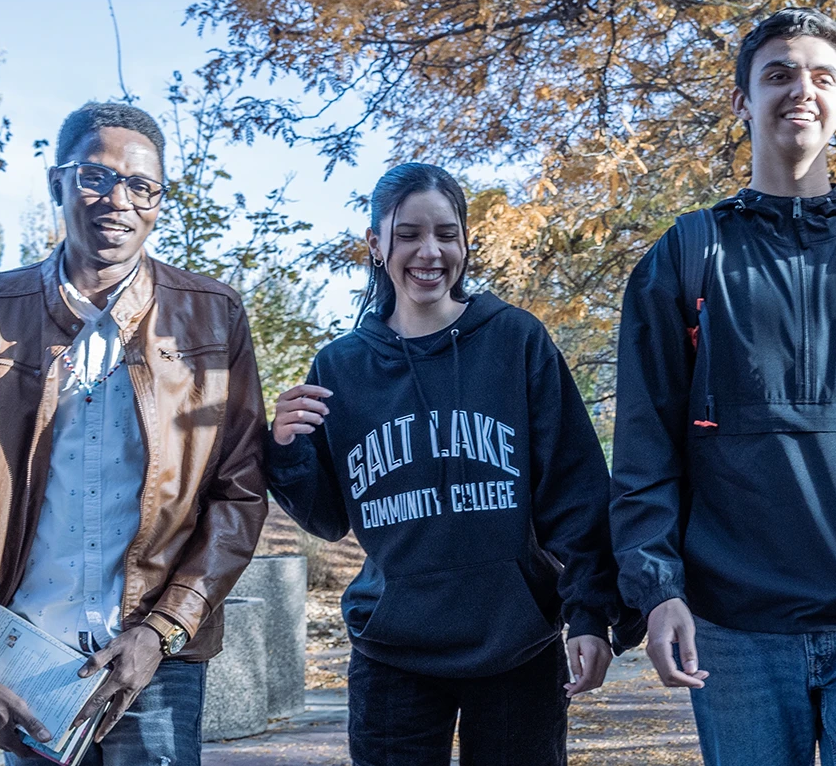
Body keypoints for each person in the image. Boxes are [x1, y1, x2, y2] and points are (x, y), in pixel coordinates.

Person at [609, 7, 836, 765]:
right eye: (777, 74)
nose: (800, 90)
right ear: (741, 100)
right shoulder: (687, 255)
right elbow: (643, 450)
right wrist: (658, 588)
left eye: (821, 76)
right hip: (734, 631)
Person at [268, 162, 635, 766]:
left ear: (466, 241)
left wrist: (591, 612)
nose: (429, 251)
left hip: (517, 643)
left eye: (446, 233)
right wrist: (285, 450)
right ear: (376, 245)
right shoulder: (341, 367)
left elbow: (575, 490)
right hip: (393, 651)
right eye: (409, 233)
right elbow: (330, 518)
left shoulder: (515, 340)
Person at [0, 102, 268, 764]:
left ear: (159, 199)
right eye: (95, 176)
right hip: (29, 657)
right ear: (56, 183)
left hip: (154, 656)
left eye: (141, 185)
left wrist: (164, 628)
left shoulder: (212, 316)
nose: (118, 200)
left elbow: (239, 493)